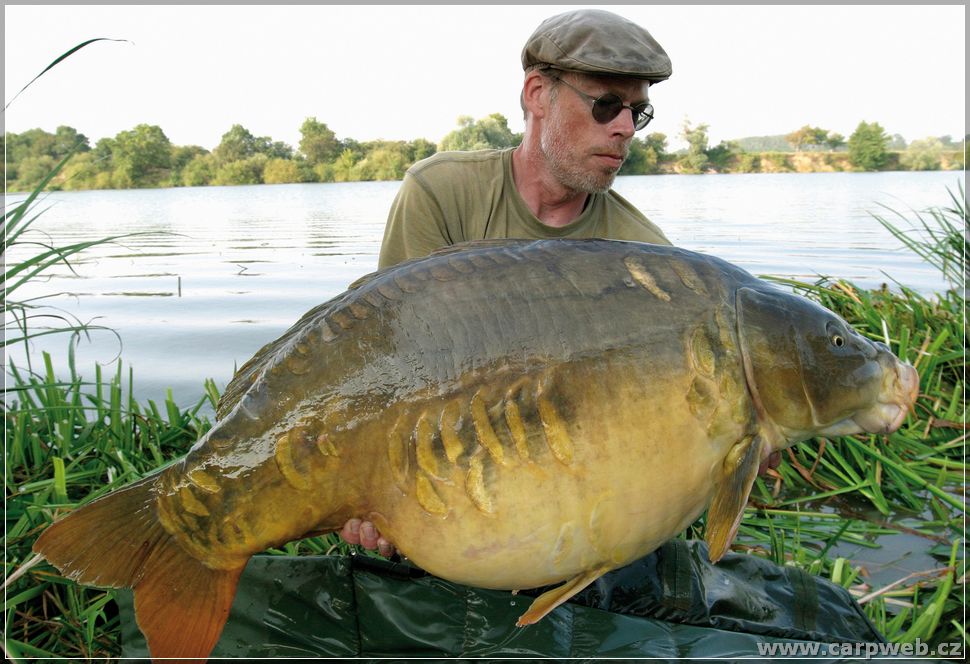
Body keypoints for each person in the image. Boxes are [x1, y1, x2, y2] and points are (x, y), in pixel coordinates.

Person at [342, 8, 674, 556]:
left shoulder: (647, 259)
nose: (622, 128)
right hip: (437, 463)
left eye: (638, 112)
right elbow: (391, 370)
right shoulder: (440, 193)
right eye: (605, 105)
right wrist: (379, 492)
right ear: (537, 94)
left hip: (560, 497)